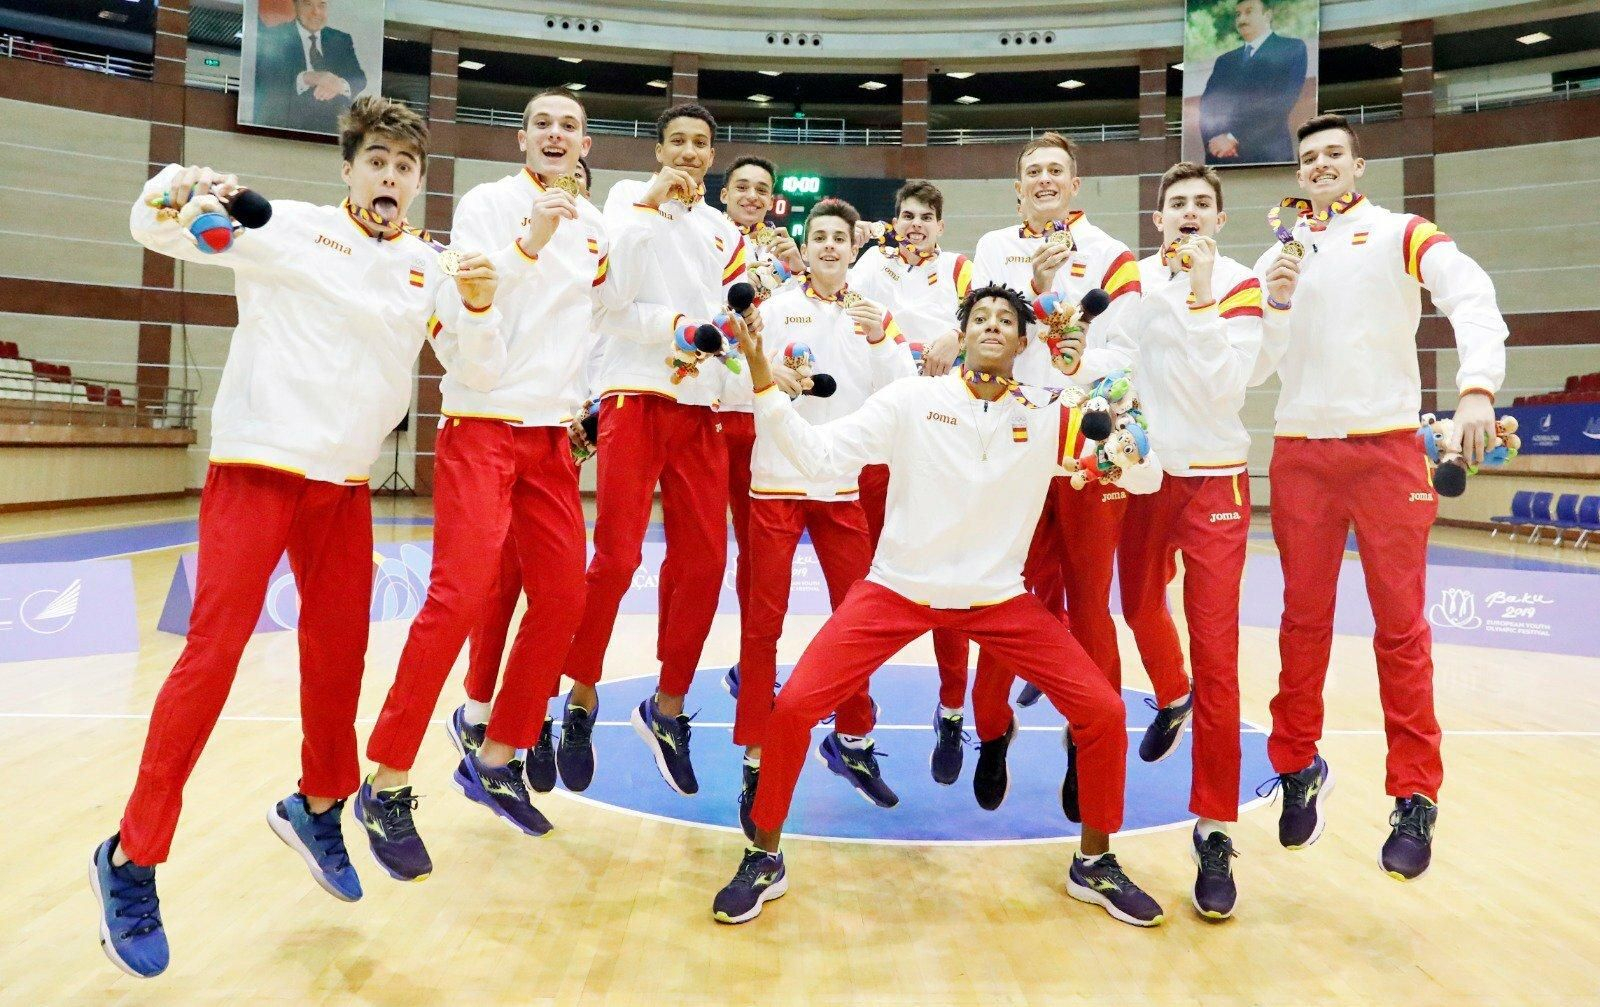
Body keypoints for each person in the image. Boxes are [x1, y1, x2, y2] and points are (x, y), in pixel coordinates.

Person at [91, 97, 504, 977]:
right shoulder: (285, 228)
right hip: (257, 470)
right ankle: (131, 858)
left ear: (419, 183)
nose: (390, 177)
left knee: (339, 658)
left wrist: (479, 305)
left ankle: (320, 804)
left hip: (345, 488)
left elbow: (479, 372)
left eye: (405, 166)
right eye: (377, 161)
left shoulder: (426, 269)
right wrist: (183, 182)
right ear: (348, 169)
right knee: (211, 659)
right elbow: (152, 223)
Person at [712, 285, 1168, 929]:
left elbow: (1144, 477)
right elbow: (817, 454)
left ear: (1023, 341)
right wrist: (761, 375)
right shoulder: (911, 400)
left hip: (998, 598)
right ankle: (764, 855)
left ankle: (1094, 863)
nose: (991, 326)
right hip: (898, 587)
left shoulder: (1049, 410)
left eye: (1005, 320)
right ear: (961, 333)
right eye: (979, 317)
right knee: (792, 709)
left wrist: (1124, 440)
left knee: (1101, 710)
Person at [358, 89, 660, 878]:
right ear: (523, 140)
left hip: (552, 438)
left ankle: (497, 754)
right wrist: (533, 237)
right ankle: (385, 781)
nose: (556, 135)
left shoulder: (595, 226)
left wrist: (697, 332)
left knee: (564, 598)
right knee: (457, 598)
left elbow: (610, 315)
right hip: (482, 424)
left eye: (569, 126)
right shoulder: (489, 205)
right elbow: (475, 313)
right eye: (542, 124)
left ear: (586, 143)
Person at [1253, 113, 1507, 880]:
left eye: (1335, 154)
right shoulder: (1278, 254)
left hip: (1390, 448)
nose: (1322, 165)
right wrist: (1274, 302)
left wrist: (1475, 390)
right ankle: (1298, 764)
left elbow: (1472, 294)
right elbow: (1256, 364)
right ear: (1299, 176)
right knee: (1301, 623)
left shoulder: (1402, 232)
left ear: (1357, 167)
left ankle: (1415, 795)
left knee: (1401, 628)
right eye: (1309, 158)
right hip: (1299, 451)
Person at [555, 102, 752, 797]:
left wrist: (732, 347)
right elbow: (609, 303)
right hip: (634, 396)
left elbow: (731, 320)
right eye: (678, 142)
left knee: (706, 561)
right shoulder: (622, 204)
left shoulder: (724, 230)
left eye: (701, 143)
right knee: (616, 557)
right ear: (657, 149)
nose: (691, 154)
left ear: (712, 151)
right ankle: (578, 699)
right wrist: (679, 328)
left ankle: (666, 709)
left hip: (701, 410)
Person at [963, 132, 1142, 823]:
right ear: (1018, 187)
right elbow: (991, 336)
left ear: (1076, 184)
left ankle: (1084, 740)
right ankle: (991, 729)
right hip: (1013, 446)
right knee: (1000, 597)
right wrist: (1036, 293)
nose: (1043, 180)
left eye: (1055, 171)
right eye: (1031, 170)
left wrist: (1074, 353)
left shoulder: (1113, 257)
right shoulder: (991, 250)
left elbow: (1123, 356)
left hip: (1089, 450)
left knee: (1092, 608)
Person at [734, 197, 915, 834]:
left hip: (842, 489)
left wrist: (880, 336)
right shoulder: (778, 306)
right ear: (805, 248)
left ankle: (854, 740)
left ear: (853, 247)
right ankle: (756, 751)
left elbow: (905, 390)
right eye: (820, 237)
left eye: (841, 236)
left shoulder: (876, 317)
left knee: (858, 620)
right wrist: (768, 373)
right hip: (778, 483)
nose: (832, 246)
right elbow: (738, 379)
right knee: (764, 622)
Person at [1116, 161, 1263, 919]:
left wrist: (1202, 295)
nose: (1189, 213)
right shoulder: (1134, 280)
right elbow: (1106, 360)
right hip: (1145, 475)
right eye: (1177, 204)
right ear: (1158, 218)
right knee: (1137, 604)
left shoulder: (1239, 284)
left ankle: (1213, 828)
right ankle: (1172, 696)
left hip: (1215, 478)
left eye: (1203, 204)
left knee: (1219, 649)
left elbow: (1226, 389)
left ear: (1219, 219)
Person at [846, 180, 975, 785]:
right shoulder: (871, 265)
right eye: (907, 215)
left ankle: (952, 711)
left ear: (941, 225)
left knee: (949, 584)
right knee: (868, 582)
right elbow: (850, 323)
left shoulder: (959, 269)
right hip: (884, 439)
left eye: (926, 216)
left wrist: (956, 336)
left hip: (945, 441)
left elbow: (990, 327)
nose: (916, 224)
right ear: (894, 221)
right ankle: (854, 727)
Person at [709, 155, 806, 700]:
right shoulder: (704, 237)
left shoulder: (784, 256)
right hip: (706, 412)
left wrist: (797, 273)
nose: (751, 195)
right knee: (700, 553)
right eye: (741, 186)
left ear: (772, 200)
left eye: (761, 190)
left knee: (756, 552)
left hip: (759, 416)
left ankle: (754, 661)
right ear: (724, 194)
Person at [1198, 0, 1308, 165]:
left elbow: (1281, 102)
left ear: (1267, 15)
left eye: (1249, 11)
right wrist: (1213, 142)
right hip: (1223, 159)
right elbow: (1207, 106)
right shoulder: (1225, 61)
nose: (1242, 19)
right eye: (1238, 14)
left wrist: (1233, 138)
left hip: (1268, 156)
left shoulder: (1291, 49)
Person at [251, 0, 367, 134]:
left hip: (332, 132)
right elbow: (265, 77)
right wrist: (307, 78)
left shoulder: (341, 39)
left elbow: (359, 77)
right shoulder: (276, 37)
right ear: (295, 6)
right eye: (308, 4)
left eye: (322, 5)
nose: (316, 12)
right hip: (285, 128)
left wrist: (338, 84)